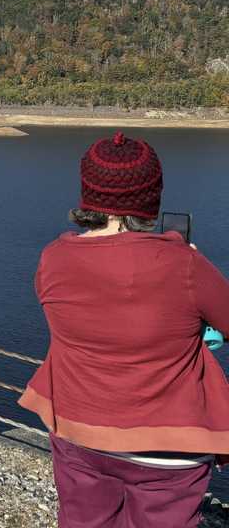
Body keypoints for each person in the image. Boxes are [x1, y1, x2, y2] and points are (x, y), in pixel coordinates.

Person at [19, 132, 229, 527]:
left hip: (77, 433)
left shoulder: (53, 258)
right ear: (152, 197)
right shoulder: (183, 264)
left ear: (88, 195)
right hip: (167, 447)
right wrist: (191, 263)